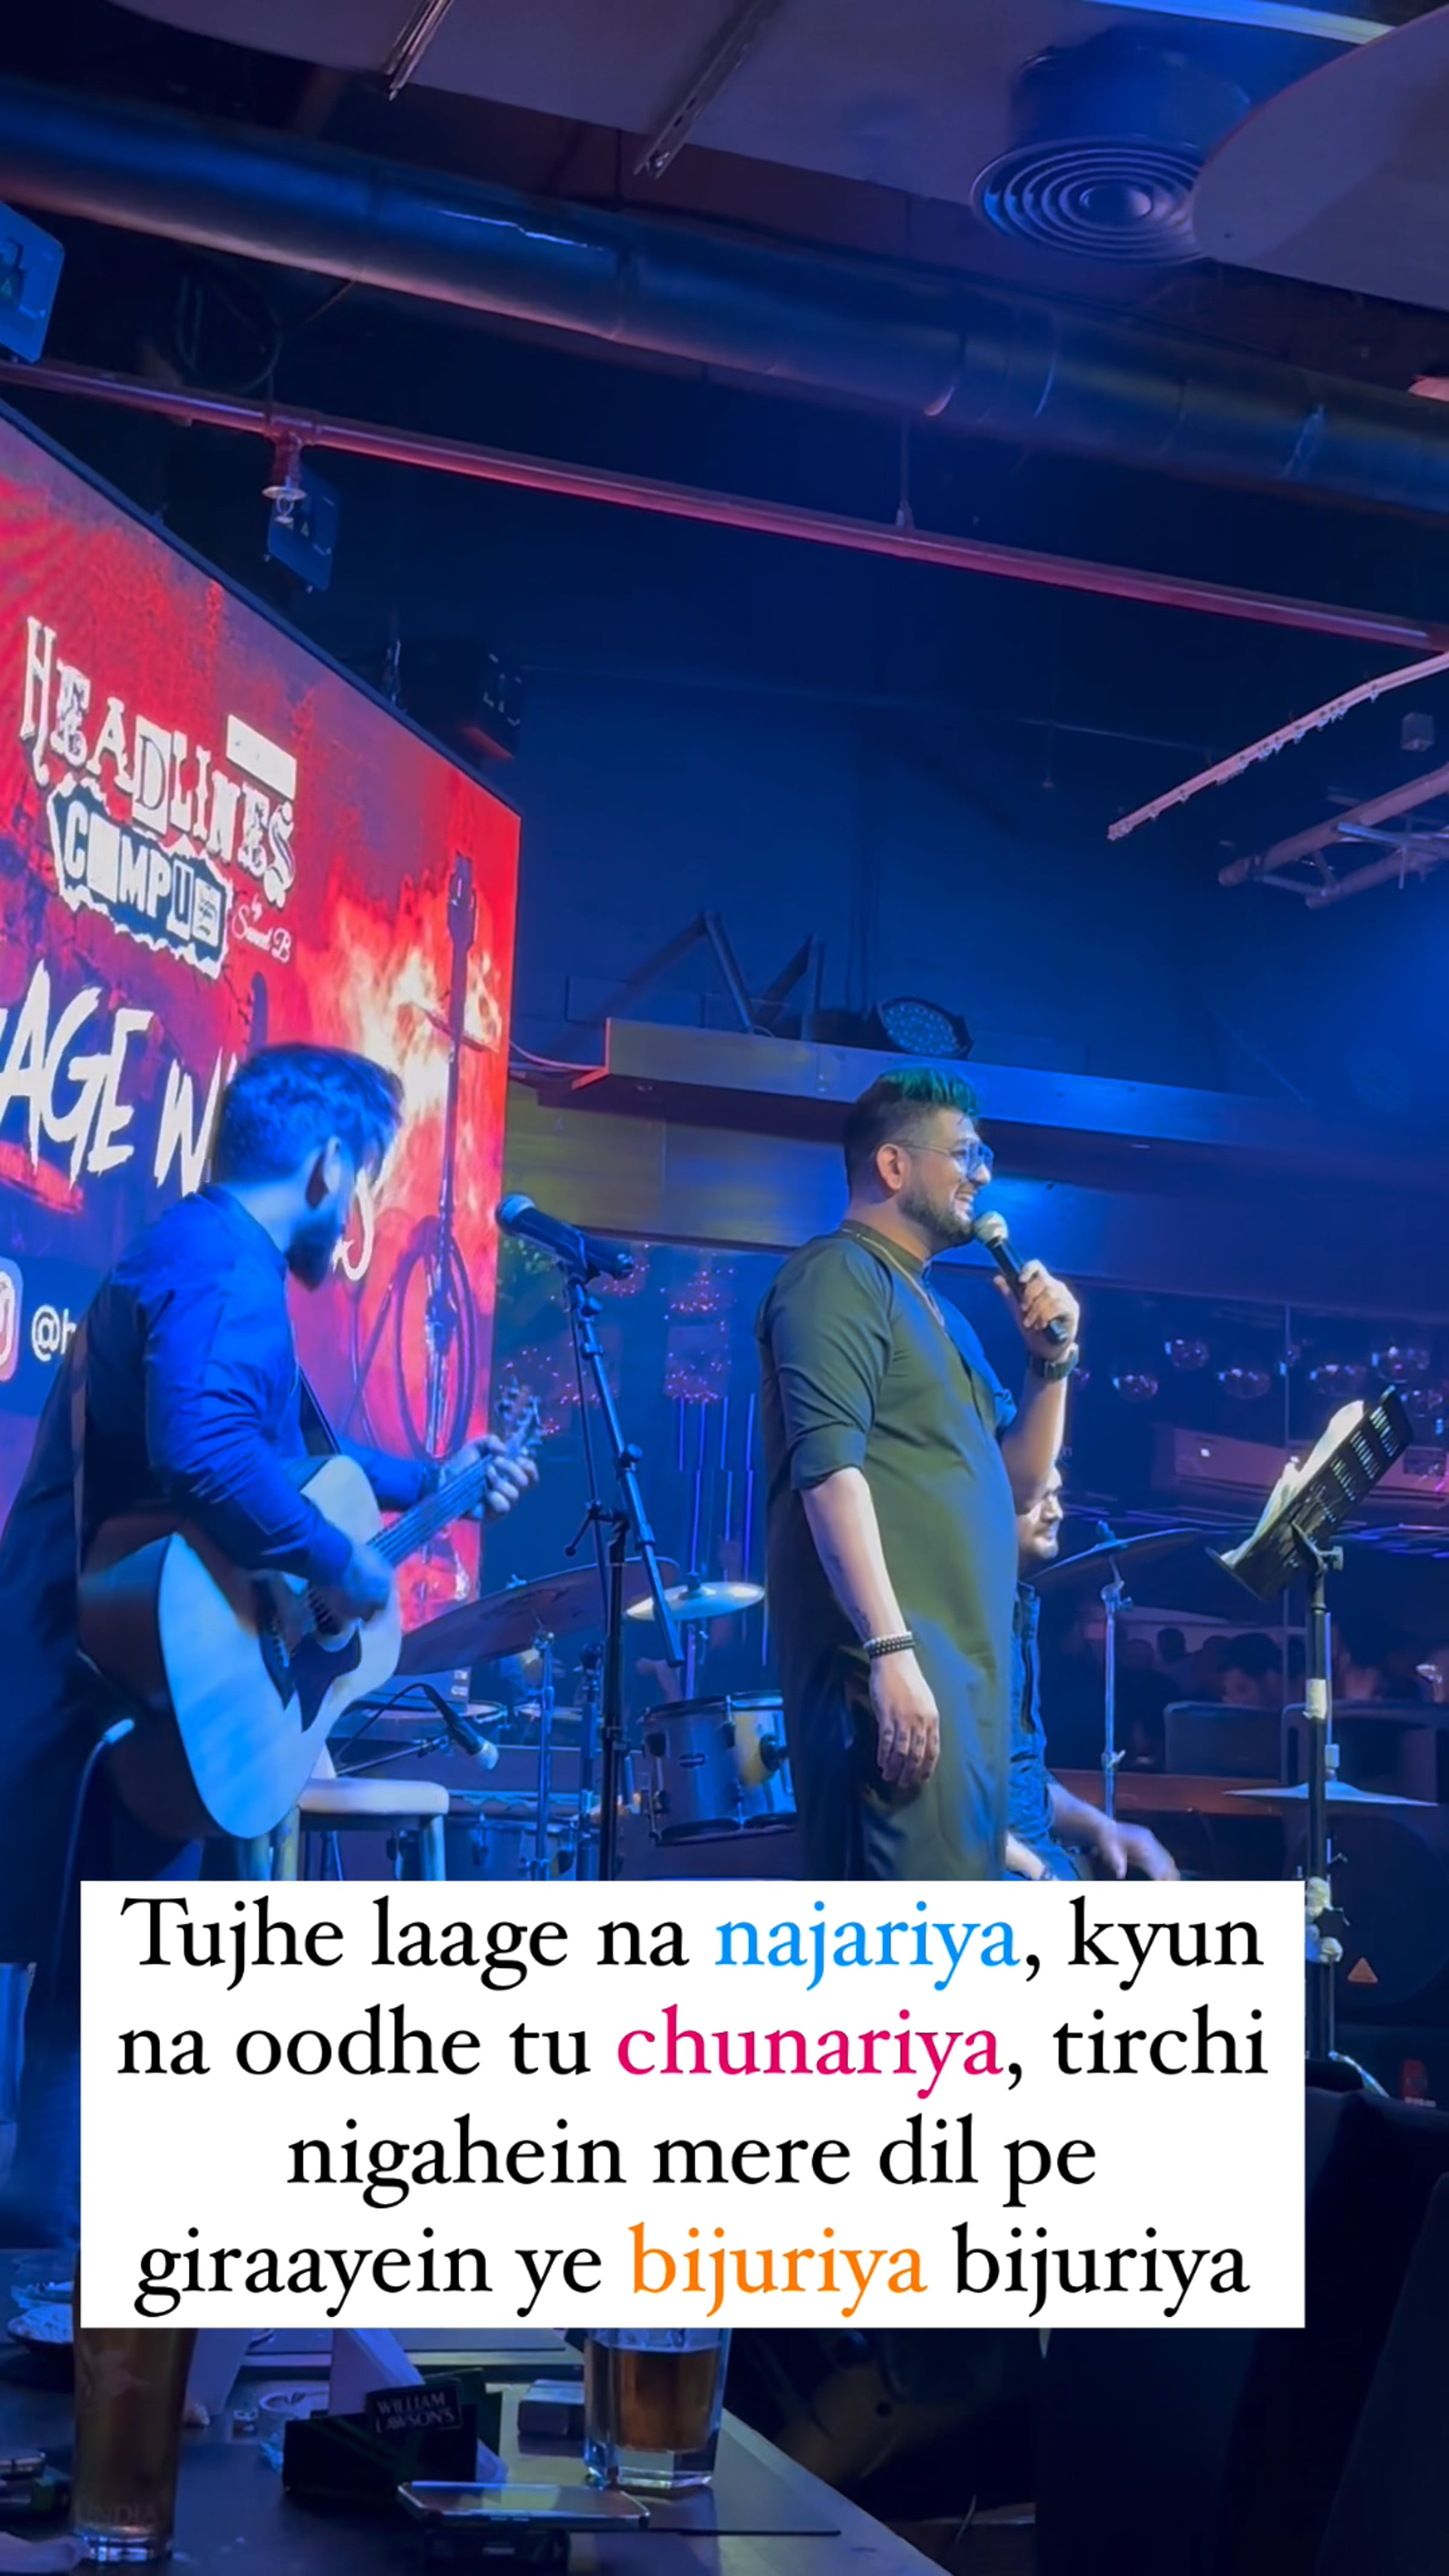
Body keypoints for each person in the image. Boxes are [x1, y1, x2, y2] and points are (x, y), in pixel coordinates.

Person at [0, 1043, 537, 2245]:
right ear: (329, 1164)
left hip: (134, 1668)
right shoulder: (227, 1267)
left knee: (107, 1968)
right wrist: (342, 1562)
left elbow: (284, 1453)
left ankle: (63, 2238)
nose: (353, 1218)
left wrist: (435, 1483)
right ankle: (80, 2272)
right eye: (362, 1184)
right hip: (138, 1665)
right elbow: (204, 1450)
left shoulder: (199, 1251)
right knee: (119, 1972)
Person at [756, 1064, 1081, 1880]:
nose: (983, 1174)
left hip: (964, 1696)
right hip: (892, 1686)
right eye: (965, 1153)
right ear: (894, 1165)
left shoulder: (946, 1316)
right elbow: (829, 1474)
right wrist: (890, 1649)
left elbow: (1019, 1486)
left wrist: (1052, 1363)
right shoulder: (837, 1275)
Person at [1005, 1468, 1176, 1882]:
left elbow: (1025, 1785)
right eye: (1039, 1496)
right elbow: (946, 1808)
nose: (1056, 1512)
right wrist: (1040, 1874)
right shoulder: (964, 1630)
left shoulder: (1017, 1619)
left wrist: (1103, 1828)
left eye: (1057, 1495)